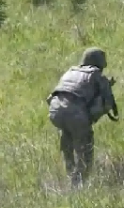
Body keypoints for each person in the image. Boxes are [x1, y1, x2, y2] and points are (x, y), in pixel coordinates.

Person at [46, 47, 117, 187]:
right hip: (76, 114)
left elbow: (51, 98)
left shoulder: (70, 71)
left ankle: (69, 174)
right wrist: (90, 116)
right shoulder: (96, 75)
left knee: (67, 136)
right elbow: (108, 103)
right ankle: (78, 184)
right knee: (85, 150)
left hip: (55, 111)